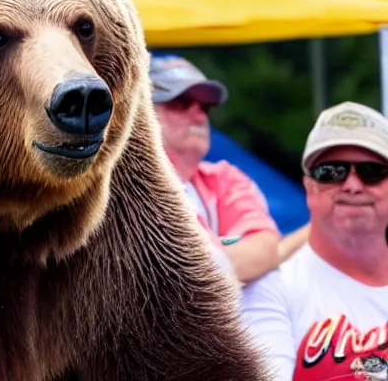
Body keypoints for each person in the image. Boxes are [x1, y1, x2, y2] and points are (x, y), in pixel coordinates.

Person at [241, 101, 388, 380]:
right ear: (309, 187)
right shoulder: (273, 289)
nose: (353, 185)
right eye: (331, 171)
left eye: (372, 171)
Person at [149, 53, 281, 284]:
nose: (199, 115)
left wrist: (205, 266)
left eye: (205, 106)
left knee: (268, 282)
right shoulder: (124, 188)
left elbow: (265, 248)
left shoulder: (221, 178)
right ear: (142, 111)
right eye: (181, 102)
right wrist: (225, 259)